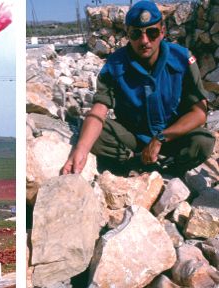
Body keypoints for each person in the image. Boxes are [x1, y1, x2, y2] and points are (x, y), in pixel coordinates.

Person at [62, 1, 215, 177]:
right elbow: (99, 109)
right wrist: (81, 150)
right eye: (136, 33)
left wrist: (161, 138)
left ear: (162, 31)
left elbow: (199, 113)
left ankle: (171, 172)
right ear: (128, 33)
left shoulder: (183, 59)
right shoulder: (115, 65)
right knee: (92, 134)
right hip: (133, 137)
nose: (144, 40)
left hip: (171, 136)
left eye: (152, 32)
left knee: (204, 141)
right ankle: (131, 164)